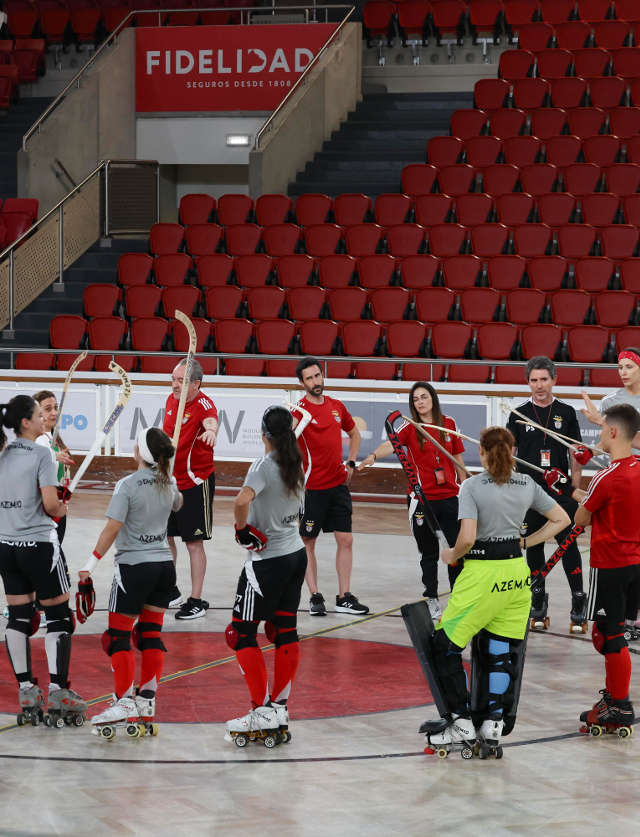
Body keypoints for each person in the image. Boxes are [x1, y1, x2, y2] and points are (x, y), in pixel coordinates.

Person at [420, 426, 569, 753]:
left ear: (483, 453)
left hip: (482, 577)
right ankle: (493, 725)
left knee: (443, 645)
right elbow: (561, 519)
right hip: (517, 575)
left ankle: (459, 722)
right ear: (512, 451)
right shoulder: (527, 484)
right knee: (501, 650)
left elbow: (468, 538)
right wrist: (526, 542)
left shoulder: (471, 487)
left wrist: (451, 555)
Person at [83, 427, 183, 735]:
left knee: (118, 637)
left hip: (133, 568)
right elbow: (177, 504)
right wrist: (167, 477)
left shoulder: (126, 485)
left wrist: (89, 566)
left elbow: (113, 528)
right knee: (150, 634)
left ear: (139, 452)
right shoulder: (171, 482)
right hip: (164, 567)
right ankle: (147, 699)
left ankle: (124, 701)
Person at [0, 395, 86, 725]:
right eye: (39, 414)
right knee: (59, 617)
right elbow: (51, 506)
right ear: (26, 422)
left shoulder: (2, 453)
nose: (43, 419)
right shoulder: (43, 453)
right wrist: (62, 503)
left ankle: (25, 688)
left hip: (6, 546)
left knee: (19, 618)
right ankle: (58, 689)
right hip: (38, 545)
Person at [225, 406, 307, 746]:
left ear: (264, 435)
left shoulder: (262, 466)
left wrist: (243, 530)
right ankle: (280, 707)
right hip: (295, 555)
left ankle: (260, 709)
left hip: (267, 562)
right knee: (284, 630)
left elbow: (241, 500)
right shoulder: (296, 462)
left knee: (241, 633)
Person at [359, 382, 467, 621]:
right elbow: (391, 444)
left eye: (424, 397)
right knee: (428, 553)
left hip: (450, 498)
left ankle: (459, 599)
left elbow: (457, 459)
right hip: (421, 501)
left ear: (433, 399)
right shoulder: (410, 427)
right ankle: (431, 598)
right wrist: (373, 455)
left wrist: (468, 488)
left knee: (456, 551)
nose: (420, 402)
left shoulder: (449, 424)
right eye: (416, 398)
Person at [506, 356, 587, 631]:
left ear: (554, 380)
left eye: (544, 379)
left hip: (560, 491)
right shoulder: (517, 414)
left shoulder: (567, 411)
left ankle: (578, 601)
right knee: (533, 545)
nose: (539, 385)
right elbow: (509, 455)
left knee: (568, 545)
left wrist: (574, 488)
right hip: (528, 492)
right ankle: (538, 601)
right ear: (527, 382)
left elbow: (575, 454)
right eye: (533, 380)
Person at [575, 403, 640, 734]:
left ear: (613, 432)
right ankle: (617, 699)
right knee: (617, 632)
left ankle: (618, 704)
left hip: (609, 564)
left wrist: (571, 492)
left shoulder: (605, 476)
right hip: (636, 564)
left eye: (602, 429)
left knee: (607, 634)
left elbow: (581, 518)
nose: (600, 434)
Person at [293, 357, 368, 617]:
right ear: (302, 382)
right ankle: (314, 596)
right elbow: (283, 443)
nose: (315, 382)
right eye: (309, 378)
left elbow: (354, 432)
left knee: (345, 539)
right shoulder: (298, 412)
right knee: (307, 541)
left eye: (317, 376)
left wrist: (351, 462)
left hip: (338, 486)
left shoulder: (336, 406)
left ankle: (344, 597)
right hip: (312, 489)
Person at [162, 357, 218, 620]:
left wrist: (211, 432)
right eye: (173, 379)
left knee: (193, 543)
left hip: (194, 483)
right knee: (166, 538)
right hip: (169, 482)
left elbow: (211, 421)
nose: (174, 385)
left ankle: (196, 600)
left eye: (181, 381)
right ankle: (170, 590)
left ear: (196, 384)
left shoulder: (204, 404)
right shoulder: (172, 400)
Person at [33, 390, 75, 545]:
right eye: (48, 409)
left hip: (58, 506)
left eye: (56, 407)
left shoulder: (53, 440)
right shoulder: (39, 440)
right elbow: (34, 462)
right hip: (47, 510)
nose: (54, 413)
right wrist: (53, 457)